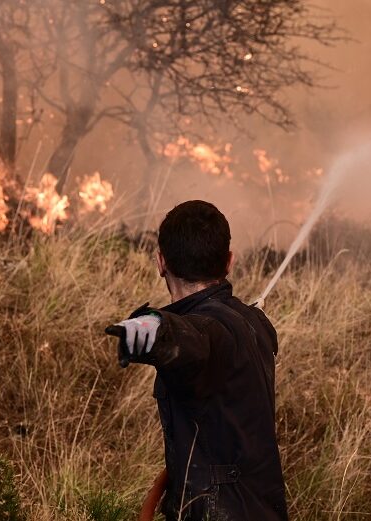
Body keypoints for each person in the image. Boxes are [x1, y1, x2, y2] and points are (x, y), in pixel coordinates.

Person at [109, 200, 288, 521]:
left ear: (161, 262)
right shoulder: (255, 324)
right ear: (229, 261)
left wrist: (147, 329)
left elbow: (188, 338)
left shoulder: (207, 330)